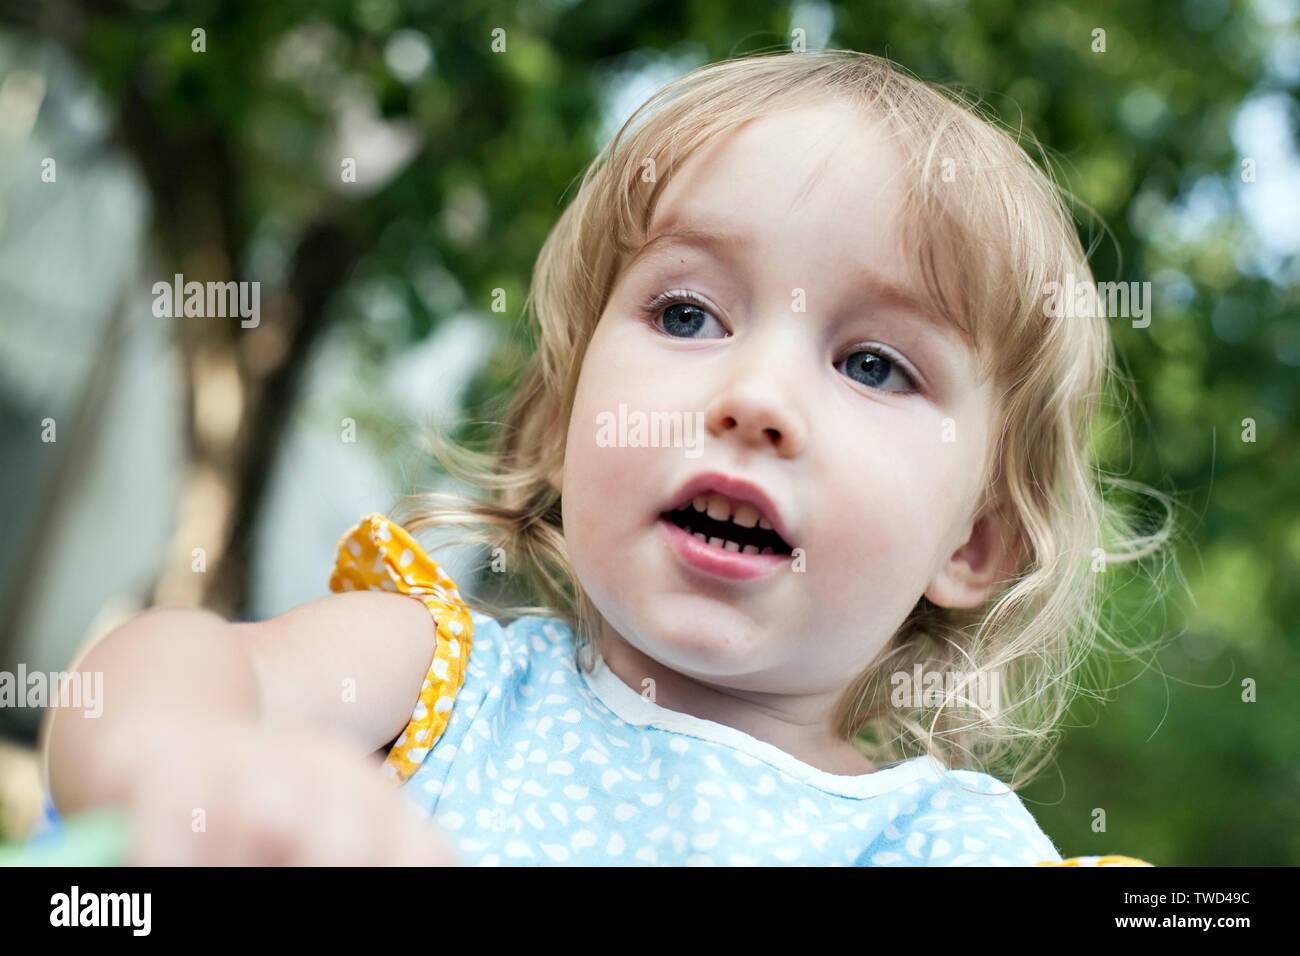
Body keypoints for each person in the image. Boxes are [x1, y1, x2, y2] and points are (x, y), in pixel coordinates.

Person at [41, 49, 1170, 866]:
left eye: (874, 364)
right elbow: (165, 668)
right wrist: (182, 765)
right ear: (557, 428)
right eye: (686, 315)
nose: (755, 398)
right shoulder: (446, 682)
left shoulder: (941, 845)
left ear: (972, 541)